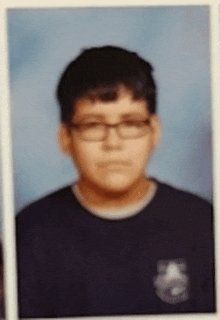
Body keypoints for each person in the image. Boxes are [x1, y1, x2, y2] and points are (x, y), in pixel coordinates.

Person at [16, 45, 215, 318]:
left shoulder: (203, 225)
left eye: (131, 123)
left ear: (154, 131)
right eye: (92, 125)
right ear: (65, 138)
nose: (113, 143)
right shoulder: (29, 235)